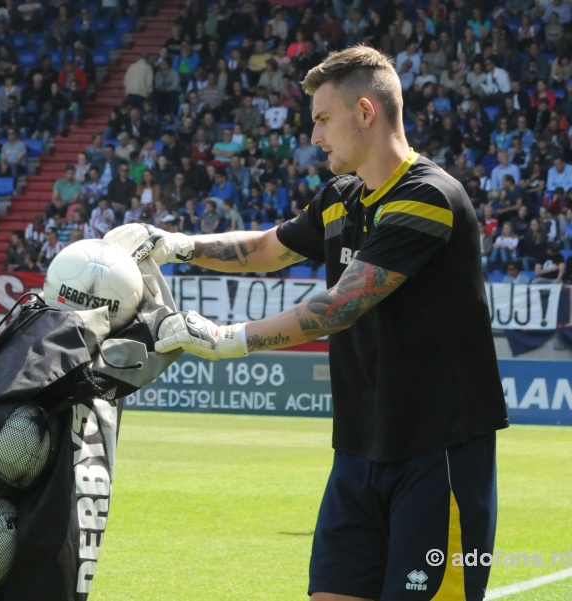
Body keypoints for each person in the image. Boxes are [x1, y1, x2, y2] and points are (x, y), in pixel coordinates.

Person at [148, 46, 508, 601]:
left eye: (322, 119)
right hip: (359, 450)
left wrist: (225, 340)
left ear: (365, 112)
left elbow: (342, 304)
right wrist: (173, 244)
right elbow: (267, 248)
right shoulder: (341, 199)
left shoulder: (430, 197)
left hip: (440, 456)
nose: (315, 138)